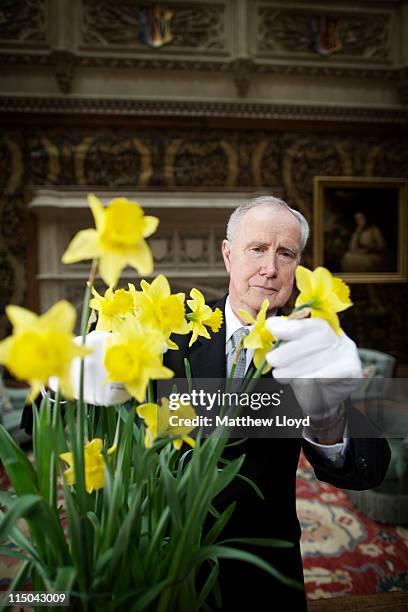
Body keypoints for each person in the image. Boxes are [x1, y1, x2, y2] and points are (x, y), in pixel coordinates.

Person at [21, 195, 391, 609]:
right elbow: (36, 420)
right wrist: (61, 377)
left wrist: (326, 415)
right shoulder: (166, 327)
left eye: (286, 253)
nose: (270, 268)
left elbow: (368, 467)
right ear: (228, 255)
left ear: (298, 267)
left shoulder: (308, 351)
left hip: (259, 566)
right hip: (153, 559)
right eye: (257, 249)